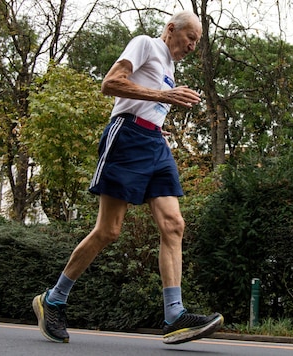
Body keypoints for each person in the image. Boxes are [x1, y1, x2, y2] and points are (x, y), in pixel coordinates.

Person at [31, 10, 223, 345]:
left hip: (154, 144)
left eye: (197, 42)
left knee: (174, 224)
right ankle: (53, 300)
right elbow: (110, 84)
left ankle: (174, 315)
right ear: (171, 29)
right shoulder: (145, 44)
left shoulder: (169, 67)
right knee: (109, 230)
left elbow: (153, 105)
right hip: (127, 138)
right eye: (190, 38)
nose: (193, 47)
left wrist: (160, 125)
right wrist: (164, 95)